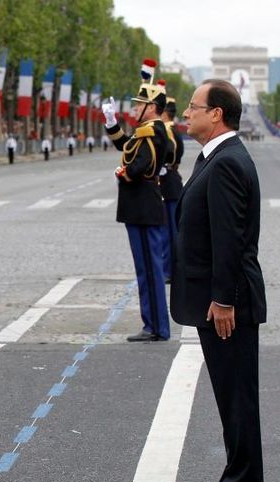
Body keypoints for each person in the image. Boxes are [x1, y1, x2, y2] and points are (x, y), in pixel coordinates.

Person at [173, 79, 266, 482]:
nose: (186, 114)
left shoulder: (226, 162)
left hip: (228, 303)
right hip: (221, 299)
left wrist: (224, 299)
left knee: (237, 397)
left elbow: (228, 238)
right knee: (232, 397)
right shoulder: (218, 156)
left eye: (193, 107)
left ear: (217, 114)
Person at [102, 59, 170, 342]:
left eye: (137, 104)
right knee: (144, 268)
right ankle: (152, 324)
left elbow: (141, 163)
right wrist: (111, 123)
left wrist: (125, 173)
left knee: (150, 269)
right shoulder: (145, 131)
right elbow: (125, 145)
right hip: (139, 207)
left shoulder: (153, 131)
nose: (133, 108)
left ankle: (156, 327)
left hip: (143, 206)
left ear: (151, 107)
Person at [158, 96, 184, 281]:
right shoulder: (172, 130)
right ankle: (170, 268)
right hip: (171, 182)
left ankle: (169, 270)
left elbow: (168, 153)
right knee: (170, 230)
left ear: (164, 112)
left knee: (168, 232)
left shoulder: (167, 131)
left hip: (167, 184)